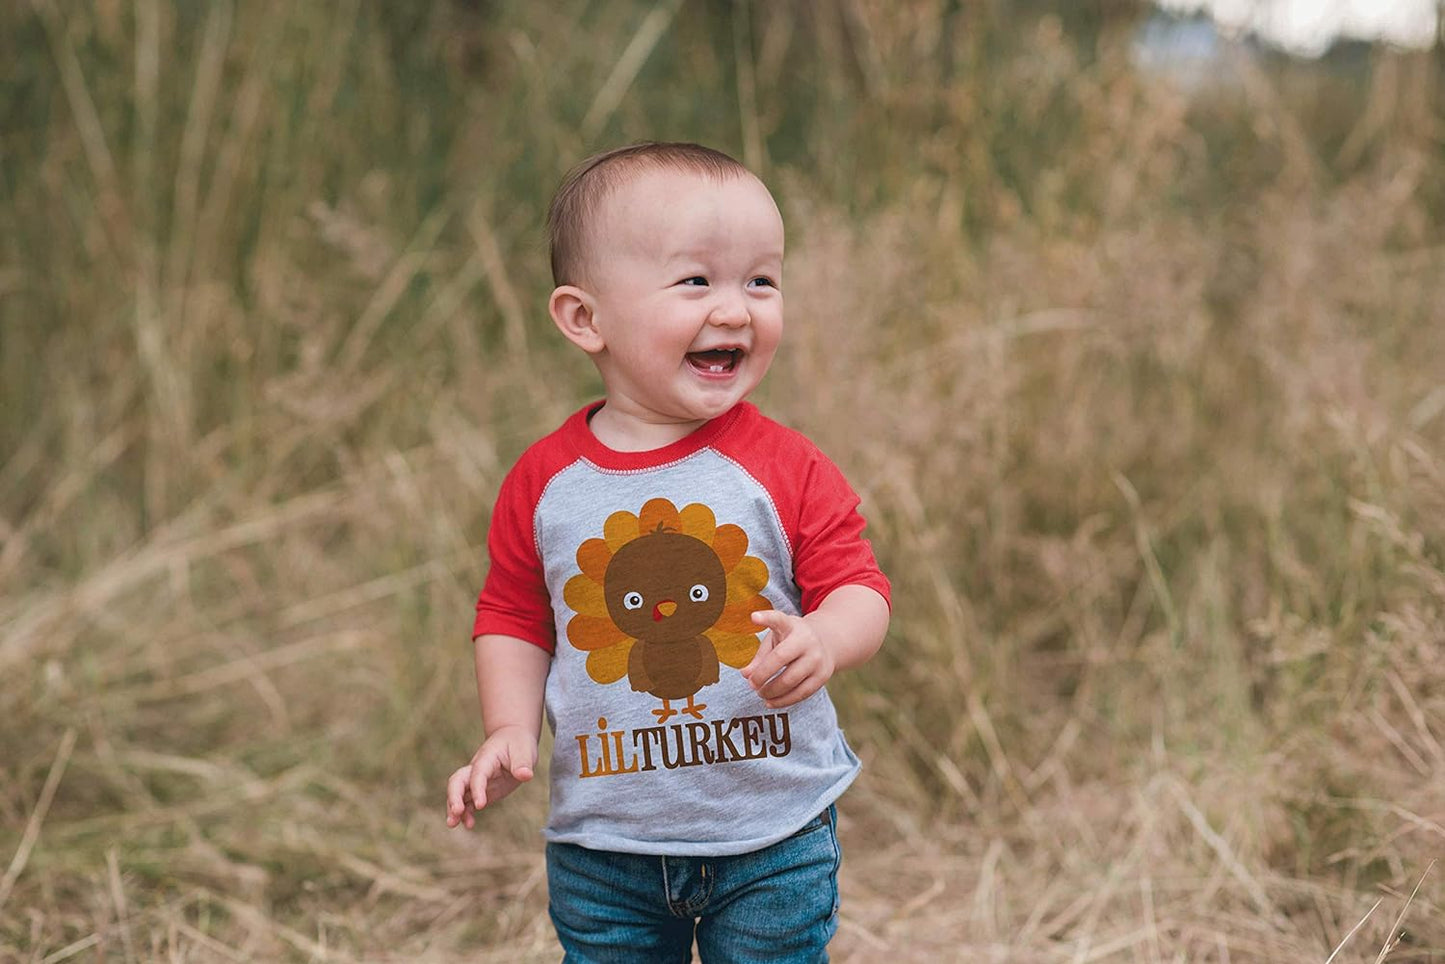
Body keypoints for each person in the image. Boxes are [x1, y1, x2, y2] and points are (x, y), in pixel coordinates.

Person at [445, 142, 891, 963]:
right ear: (586, 319)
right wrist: (508, 727)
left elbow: (859, 587)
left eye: (760, 280)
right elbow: (512, 611)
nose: (735, 310)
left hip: (770, 832)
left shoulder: (783, 464)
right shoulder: (546, 482)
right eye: (696, 281)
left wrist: (826, 636)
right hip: (603, 842)